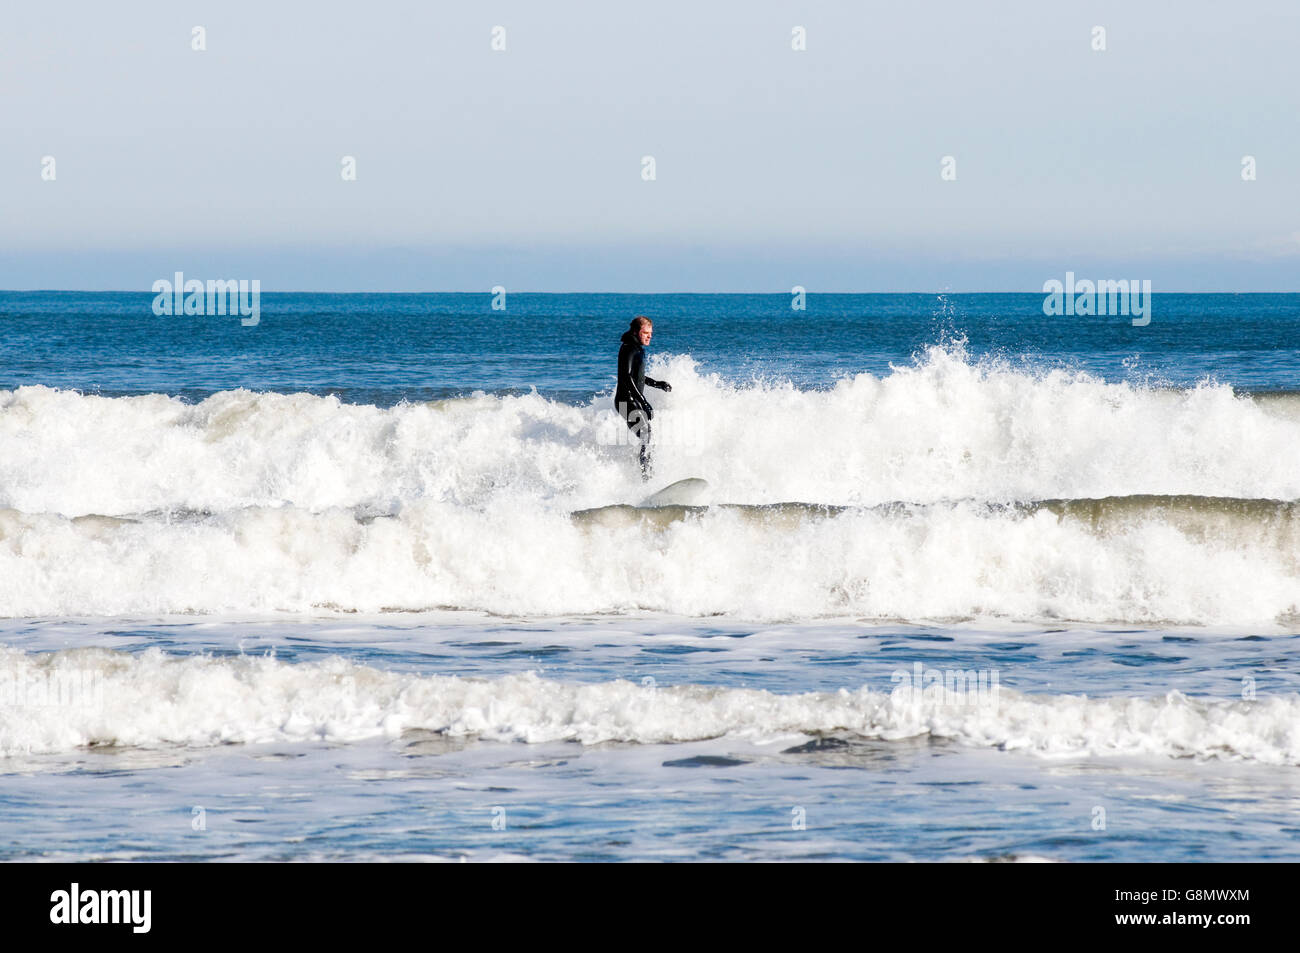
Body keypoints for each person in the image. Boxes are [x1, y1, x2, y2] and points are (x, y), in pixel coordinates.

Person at [615, 315, 671, 480]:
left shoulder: (637, 349)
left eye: (651, 333)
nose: (649, 336)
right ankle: (646, 477)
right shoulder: (628, 348)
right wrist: (644, 402)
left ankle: (645, 473)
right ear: (635, 331)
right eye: (645, 332)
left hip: (632, 401)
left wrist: (657, 383)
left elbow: (638, 377)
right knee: (647, 436)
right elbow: (626, 377)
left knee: (648, 437)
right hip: (626, 402)